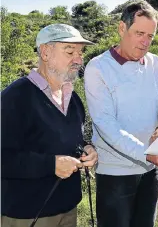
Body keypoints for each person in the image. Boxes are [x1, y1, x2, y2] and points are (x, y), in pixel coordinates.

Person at [84, 0, 158, 227]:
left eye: (150, 36)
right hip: (115, 173)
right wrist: (147, 153)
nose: (145, 42)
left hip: (150, 171)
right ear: (121, 28)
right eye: (139, 33)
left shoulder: (157, 64)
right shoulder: (97, 68)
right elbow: (105, 124)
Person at [1, 23, 98, 227]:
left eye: (80, 52)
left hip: (68, 208)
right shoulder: (14, 98)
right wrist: (51, 165)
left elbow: (69, 139)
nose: (79, 60)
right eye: (69, 51)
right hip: (27, 215)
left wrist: (87, 149)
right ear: (45, 52)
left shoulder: (73, 98)